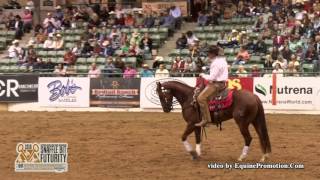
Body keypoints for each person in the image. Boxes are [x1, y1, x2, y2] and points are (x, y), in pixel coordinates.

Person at [196, 45, 228, 127]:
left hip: (216, 84)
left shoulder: (215, 63)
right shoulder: (222, 60)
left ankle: (206, 120)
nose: (208, 55)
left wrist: (203, 75)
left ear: (213, 54)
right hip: (222, 83)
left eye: (209, 53)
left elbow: (211, 78)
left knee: (201, 98)